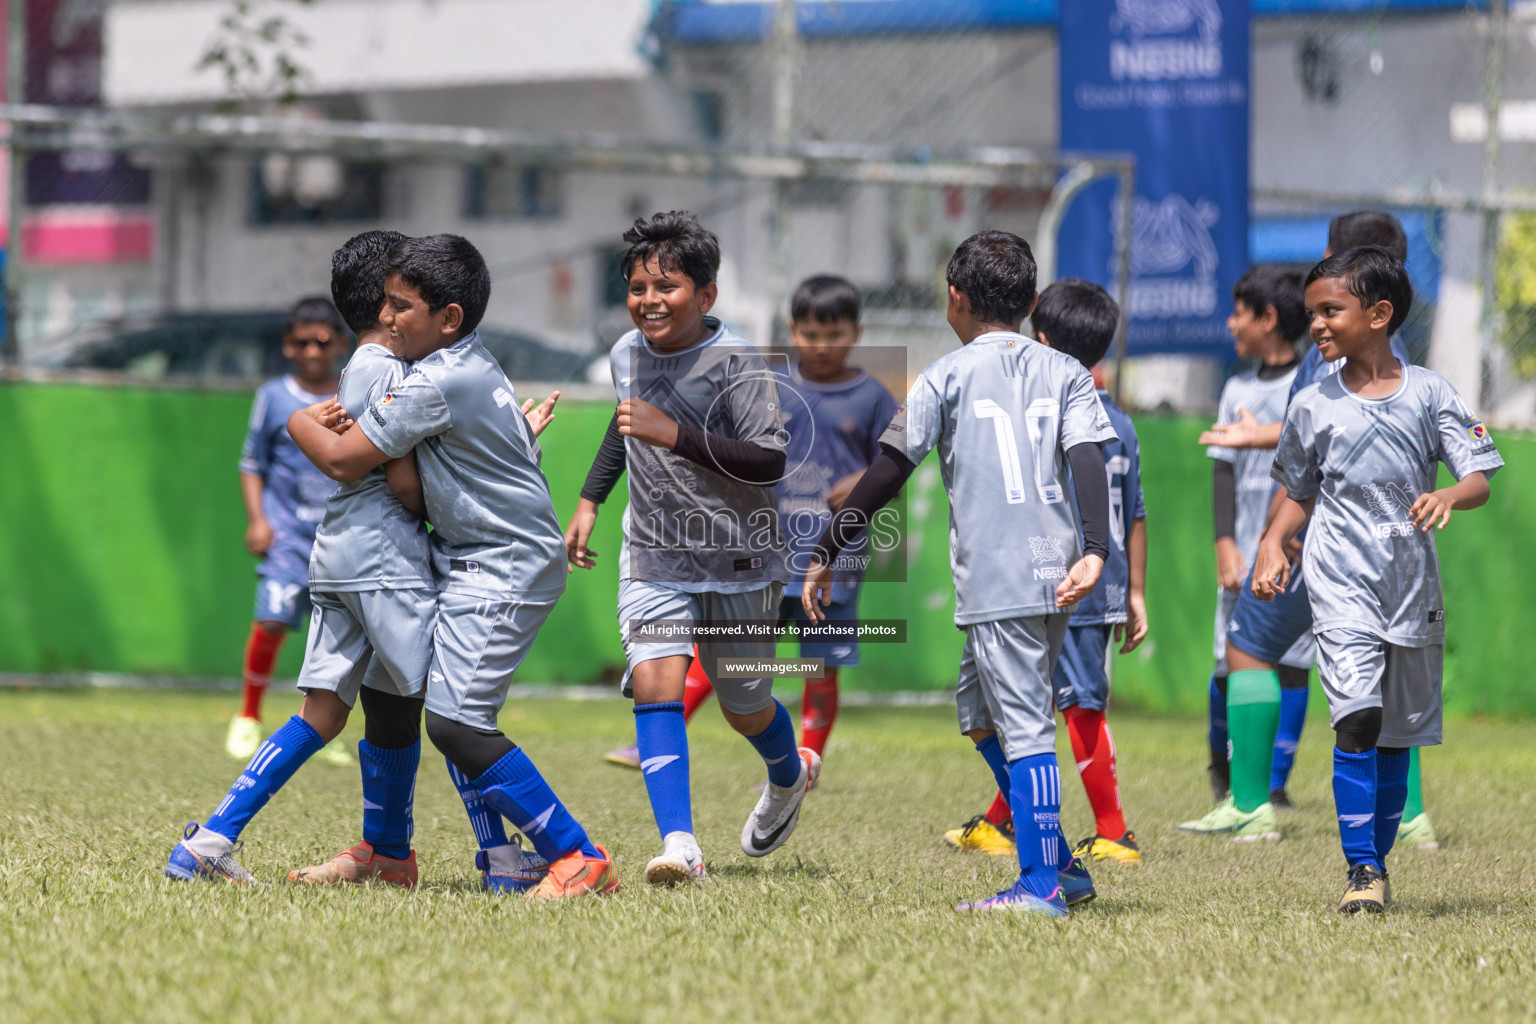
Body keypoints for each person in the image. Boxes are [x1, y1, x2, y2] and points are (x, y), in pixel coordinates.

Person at [804, 231, 1115, 916]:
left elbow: (887, 470)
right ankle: (1061, 864)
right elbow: (1088, 457)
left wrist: (827, 546)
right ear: (1031, 301)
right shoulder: (1064, 370)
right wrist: (1096, 548)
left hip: (1002, 577)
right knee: (979, 714)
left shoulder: (944, 376)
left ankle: (1039, 889)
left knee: (1026, 726)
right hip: (1058, 569)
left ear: (955, 297)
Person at [567, 211, 819, 887]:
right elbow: (626, 428)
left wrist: (673, 434)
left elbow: (769, 463)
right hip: (654, 554)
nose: (649, 299)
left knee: (744, 706)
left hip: (740, 558)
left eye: (666, 286)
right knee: (658, 680)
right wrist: (591, 500)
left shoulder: (737, 364)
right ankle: (682, 847)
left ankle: (788, 775)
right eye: (637, 285)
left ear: (705, 296)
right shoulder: (627, 353)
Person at [1252, 246, 1501, 913]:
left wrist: (1450, 496)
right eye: (1312, 315)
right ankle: (1361, 868)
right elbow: (1298, 490)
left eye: (1331, 311)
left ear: (1380, 314)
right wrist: (1275, 541)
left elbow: (1478, 475)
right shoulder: (1311, 404)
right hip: (1339, 582)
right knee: (1357, 718)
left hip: (1410, 585)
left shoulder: (1430, 394)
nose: (1319, 326)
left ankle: (1378, 860)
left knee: (1397, 736)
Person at [1182, 211, 1435, 844]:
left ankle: (1249, 805)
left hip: (1326, 532)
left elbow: (1321, 438)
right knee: (1390, 666)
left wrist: (1278, 533)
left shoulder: (1336, 343)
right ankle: (1410, 818)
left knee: (1248, 647)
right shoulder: (1397, 351)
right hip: (1392, 540)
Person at [601, 274, 897, 774]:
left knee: (818, 665)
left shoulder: (872, 397)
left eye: (835, 334)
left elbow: (896, 462)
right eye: (809, 333)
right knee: (720, 649)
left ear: (857, 332)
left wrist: (865, 481)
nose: (821, 346)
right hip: (762, 548)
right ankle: (658, 734)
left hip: (832, 555)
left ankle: (810, 759)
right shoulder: (769, 381)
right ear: (792, 331)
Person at [940, 279, 1148, 867]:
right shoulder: (1123, 423)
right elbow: (1135, 511)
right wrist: (1133, 589)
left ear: (1043, 338)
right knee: (1023, 706)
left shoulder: (1045, 406)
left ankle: (1113, 830)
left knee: (1074, 706)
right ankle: (1009, 823)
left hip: (1063, 578)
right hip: (1099, 577)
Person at [1199, 266, 1312, 821]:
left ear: (1267, 319)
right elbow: (1221, 470)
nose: (1231, 323)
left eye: (1239, 312)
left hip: (1294, 554)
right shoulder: (1236, 388)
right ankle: (1223, 773)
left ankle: (1272, 785)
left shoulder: (1311, 387)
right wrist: (1225, 542)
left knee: (1291, 663)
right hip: (1244, 555)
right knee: (1229, 663)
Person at [227, 296, 353, 768]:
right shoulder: (273, 397)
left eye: (323, 340)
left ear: (341, 344)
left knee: (337, 637)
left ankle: (323, 729)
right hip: (286, 537)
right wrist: (259, 520)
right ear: (288, 345)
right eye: (303, 341)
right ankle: (247, 715)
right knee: (273, 620)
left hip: (339, 537)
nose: (313, 351)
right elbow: (251, 463)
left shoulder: (351, 392)